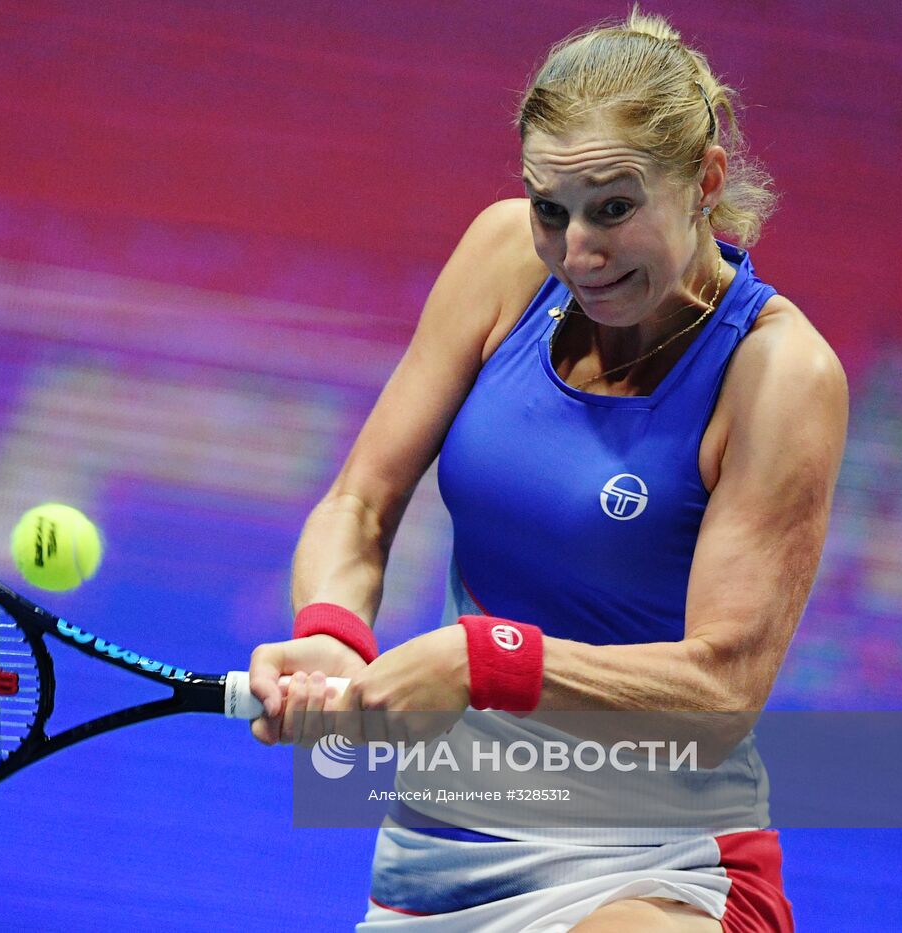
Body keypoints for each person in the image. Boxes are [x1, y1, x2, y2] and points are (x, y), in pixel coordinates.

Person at [247, 9, 847, 933]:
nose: (578, 254)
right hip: (440, 850)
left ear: (705, 183)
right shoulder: (500, 261)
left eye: (614, 208)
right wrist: (330, 629)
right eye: (551, 210)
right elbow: (360, 504)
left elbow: (720, 694)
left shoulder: (778, 374)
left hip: (658, 860)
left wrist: (488, 660)